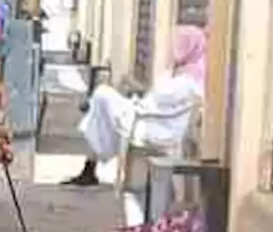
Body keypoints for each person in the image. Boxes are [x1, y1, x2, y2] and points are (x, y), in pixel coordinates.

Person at [64, 25, 207, 186]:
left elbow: (157, 101)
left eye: (179, 44)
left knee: (101, 97)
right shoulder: (189, 76)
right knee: (100, 109)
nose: (173, 48)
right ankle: (90, 165)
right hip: (151, 120)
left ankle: (90, 165)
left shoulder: (185, 82)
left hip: (152, 126)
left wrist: (138, 102)